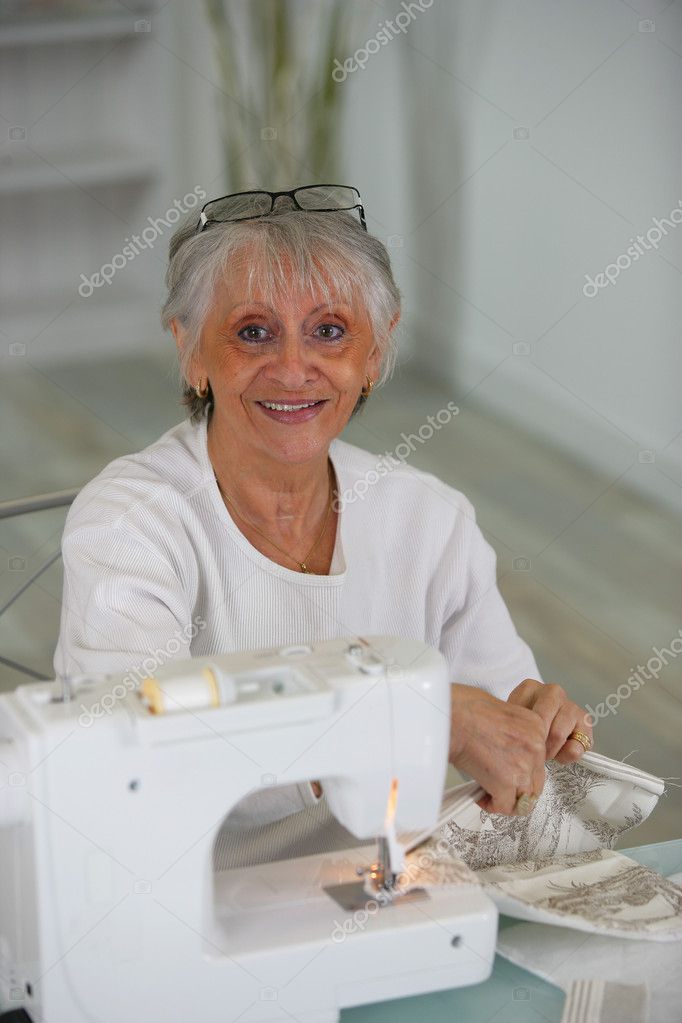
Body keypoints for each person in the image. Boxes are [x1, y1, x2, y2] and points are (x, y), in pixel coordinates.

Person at [54, 184, 593, 820]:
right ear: (189, 348)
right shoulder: (129, 525)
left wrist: (540, 733)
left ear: (377, 349)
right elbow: (137, 756)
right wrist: (415, 716)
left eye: (329, 331)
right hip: (185, 889)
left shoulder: (429, 520)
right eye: (252, 332)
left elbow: (506, 739)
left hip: (381, 886)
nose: (292, 367)